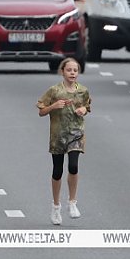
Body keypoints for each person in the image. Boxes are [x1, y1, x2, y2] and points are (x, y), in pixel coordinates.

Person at [37, 57, 92, 225]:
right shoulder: (54, 91)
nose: (72, 73)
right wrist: (53, 106)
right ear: (62, 72)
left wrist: (84, 109)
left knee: (73, 166)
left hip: (76, 134)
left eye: (75, 70)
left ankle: (72, 203)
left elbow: (87, 106)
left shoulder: (83, 91)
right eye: (69, 70)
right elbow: (41, 111)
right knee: (57, 171)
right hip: (58, 136)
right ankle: (55, 207)